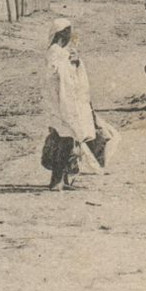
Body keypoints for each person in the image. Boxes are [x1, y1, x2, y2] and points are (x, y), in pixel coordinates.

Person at [42, 17, 99, 191]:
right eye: (68, 33)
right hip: (60, 103)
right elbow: (58, 79)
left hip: (63, 102)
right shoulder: (55, 52)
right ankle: (56, 181)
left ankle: (63, 179)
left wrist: (77, 63)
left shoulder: (61, 52)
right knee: (65, 141)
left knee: (67, 140)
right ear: (61, 34)